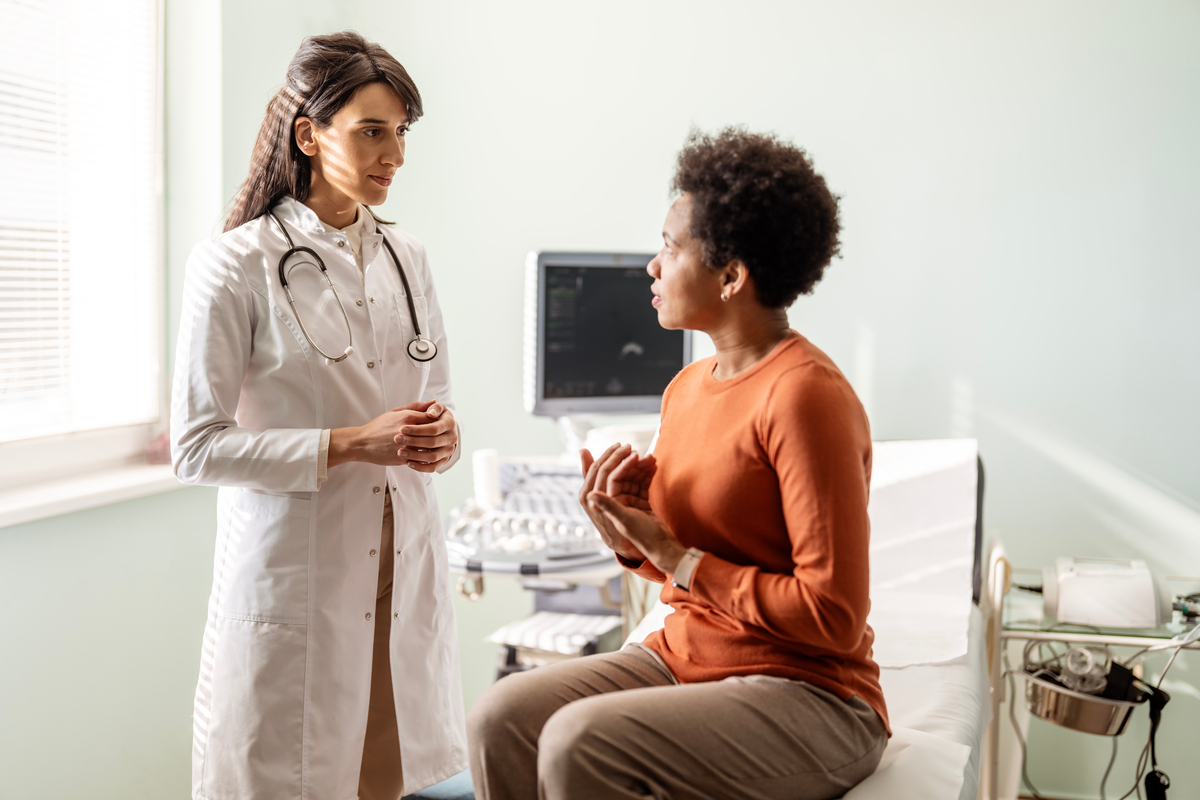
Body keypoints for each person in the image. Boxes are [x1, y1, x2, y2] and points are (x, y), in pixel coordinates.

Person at [467, 128, 889, 800]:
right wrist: (630, 535)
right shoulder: (686, 389)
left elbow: (831, 614)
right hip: (687, 655)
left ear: (731, 276)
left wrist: (678, 555)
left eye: (669, 246)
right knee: (502, 716)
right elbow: (677, 556)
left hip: (812, 691)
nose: (652, 267)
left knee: (581, 741)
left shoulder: (806, 395)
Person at [172, 32, 466, 800]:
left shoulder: (410, 257)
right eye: (372, 130)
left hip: (398, 563)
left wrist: (443, 437)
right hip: (298, 572)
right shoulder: (235, 264)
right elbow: (196, 448)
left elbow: (435, 395)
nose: (393, 153)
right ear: (309, 134)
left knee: (380, 775)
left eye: (401, 132)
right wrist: (349, 443)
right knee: (288, 774)